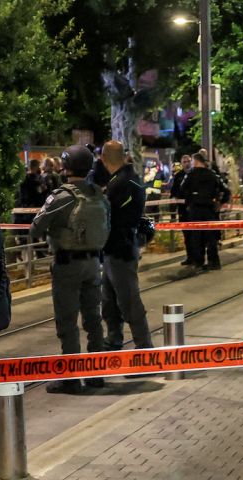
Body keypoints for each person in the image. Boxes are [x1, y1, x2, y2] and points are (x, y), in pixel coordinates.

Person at [32, 145, 111, 393]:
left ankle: (71, 378)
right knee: (94, 320)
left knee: (67, 323)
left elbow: (36, 227)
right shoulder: (99, 194)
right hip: (93, 264)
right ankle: (96, 373)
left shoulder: (62, 196)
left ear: (65, 167)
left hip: (67, 265)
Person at [95, 141, 153, 352]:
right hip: (119, 248)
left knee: (129, 301)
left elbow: (107, 215)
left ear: (102, 158)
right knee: (109, 301)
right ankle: (114, 340)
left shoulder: (120, 183)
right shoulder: (129, 180)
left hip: (120, 249)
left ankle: (144, 348)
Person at [182, 151, 228, 270]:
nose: (191, 163)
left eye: (192, 161)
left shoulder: (191, 175)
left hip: (195, 210)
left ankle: (199, 262)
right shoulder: (212, 175)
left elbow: (182, 189)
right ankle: (214, 262)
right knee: (211, 237)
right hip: (210, 210)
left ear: (196, 161)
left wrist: (189, 199)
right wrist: (220, 202)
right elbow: (226, 190)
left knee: (197, 237)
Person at [169, 154, 193, 265]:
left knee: (196, 234)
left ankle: (198, 257)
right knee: (187, 234)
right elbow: (173, 192)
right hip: (183, 210)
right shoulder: (178, 176)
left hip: (194, 209)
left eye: (188, 161)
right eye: (185, 162)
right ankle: (190, 257)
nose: (187, 163)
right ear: (182, 163)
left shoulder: (195, 174)